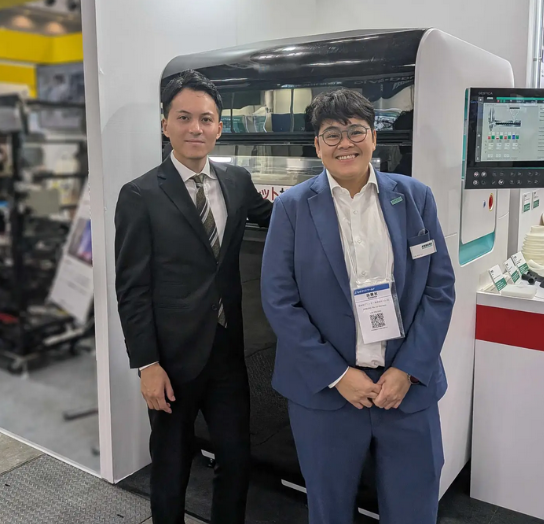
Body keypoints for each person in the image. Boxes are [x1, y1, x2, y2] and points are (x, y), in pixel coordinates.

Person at [260, 89, 456, 524]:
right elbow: (279, 299)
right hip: (327, 393)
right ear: (317, 145)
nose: (344, 143)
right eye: (332, 134)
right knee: (329, 509)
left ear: (373, 137)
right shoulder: (292, 208)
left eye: (355, 131)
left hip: (406, 389)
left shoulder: (415, 197)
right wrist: (337, 374)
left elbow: (439, 288)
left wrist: (407, 369)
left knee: (415, 507)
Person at [114, 70, 273, 524]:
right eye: (184, 118)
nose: (195, 129)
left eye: (206, 119)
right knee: (171, 464)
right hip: (171, 359)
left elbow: (281, 216)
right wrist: (147, 365)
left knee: (236, 459)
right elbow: (132, 288)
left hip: (228, 352)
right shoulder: (140, 194)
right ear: (165, 124)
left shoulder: (237, 180)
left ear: (220, 127)